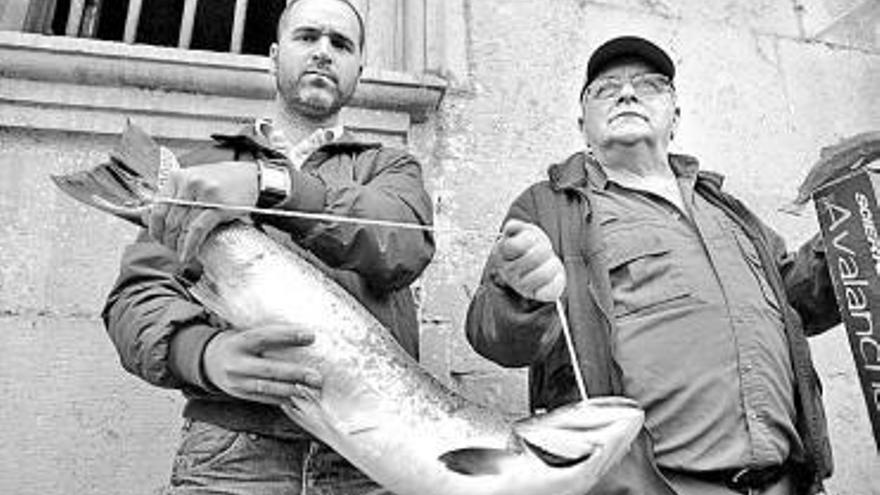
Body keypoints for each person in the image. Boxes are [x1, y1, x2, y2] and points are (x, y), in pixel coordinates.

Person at [465, 36, 839, 495]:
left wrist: (849, 239)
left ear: (675, 116)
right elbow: (492, 333)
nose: (627, 94)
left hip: (788, 483)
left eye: (649, 85)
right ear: (583, 124)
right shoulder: (550, 206)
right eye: (606, 89)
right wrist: (521, 290)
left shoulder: (727, 209)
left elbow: (798, 298)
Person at [102, 0, 434, 493]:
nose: (323, 51)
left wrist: (271, 184)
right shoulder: (203, 166)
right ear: (274, 55)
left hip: (369, 455)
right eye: (308, 37)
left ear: (359, 70)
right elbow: (136, 297)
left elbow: (403, 244)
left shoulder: (389, 167)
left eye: (341, 44)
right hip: (229, 449)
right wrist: (202, 353)